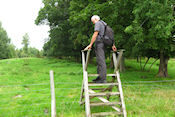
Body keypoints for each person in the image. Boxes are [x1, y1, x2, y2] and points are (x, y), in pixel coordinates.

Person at [84, 15, 117, 83]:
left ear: (96, 19)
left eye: (93, 21)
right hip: (103, 43)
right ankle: (100, 77)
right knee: (99, 60)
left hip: (100, 44)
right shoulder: (104, 24)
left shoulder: (98, 23)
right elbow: (107, 34)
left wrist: (90, 44)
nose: (93, 23)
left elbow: (95, 34)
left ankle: (103, 79)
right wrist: (112, 45)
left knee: (101, 60)